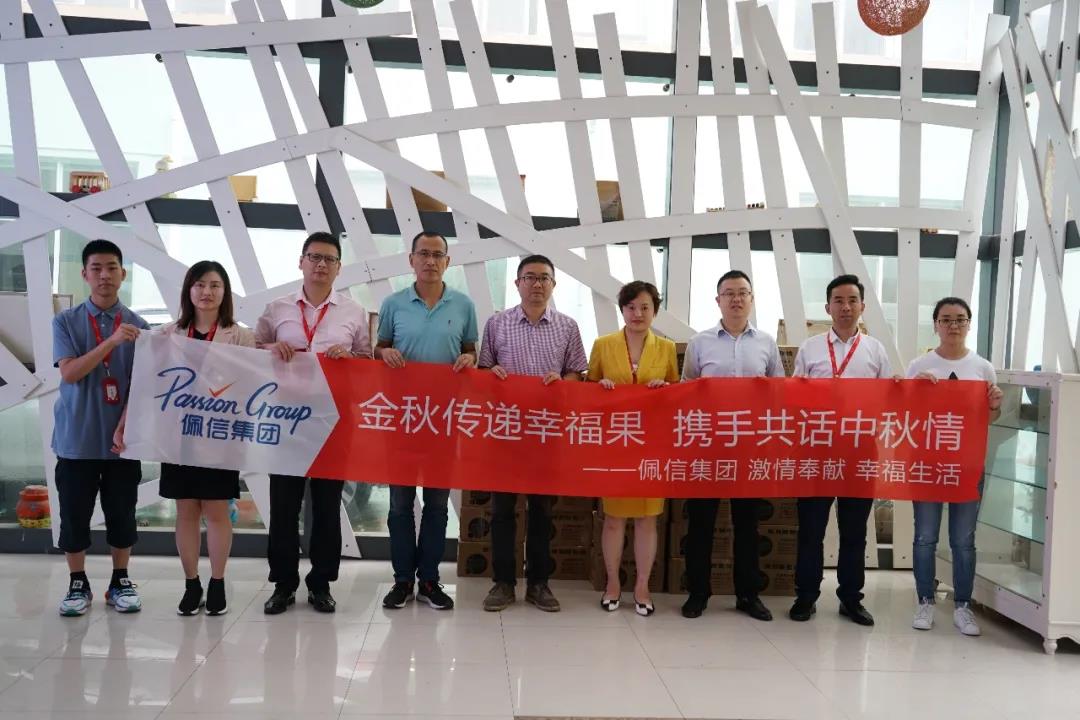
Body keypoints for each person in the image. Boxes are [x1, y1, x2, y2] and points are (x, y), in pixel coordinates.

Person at [117, 261, 253, 616]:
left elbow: (255, 385)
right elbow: (145, 384)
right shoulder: (167, 334)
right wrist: (125, 423)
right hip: (178, 438)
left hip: (220, 439)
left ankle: (217, 582)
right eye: (199, 285)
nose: (207, 292)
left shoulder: (241, 336)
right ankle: (192, 583)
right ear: (188, 290)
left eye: (215, 285)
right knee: (186, 512)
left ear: (225, 292)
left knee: (218, 511)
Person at [255, 231, 371, 615]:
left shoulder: (353, 311)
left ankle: (321, 583)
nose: (321, 265)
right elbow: (251, 353)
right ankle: (283, 584)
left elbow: (367, 361)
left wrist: (349, 359)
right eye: (314, 257)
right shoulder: (277, 308)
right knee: (283, 506)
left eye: (329, 259)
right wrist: (271, 347)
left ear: (339, 268)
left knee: (326, 506)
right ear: (301, 262)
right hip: (285, 419)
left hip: (332, 419)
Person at [478, 254, 588, 613]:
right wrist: (492, 374)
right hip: (506, 431)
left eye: (544, 278)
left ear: (553, 284)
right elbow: (483, 370)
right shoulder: (497, 324)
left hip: (546, 431)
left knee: (542, 510)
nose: (537, 284)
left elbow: (577, 373)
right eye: (530, 277)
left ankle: (539, 583)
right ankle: (503, 583)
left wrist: (563, 381)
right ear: (517, 283)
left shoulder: (568, 326)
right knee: (502, 510)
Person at [377, 231, 478, 611]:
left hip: (443, 421)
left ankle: (430, 580)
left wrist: (469, 359)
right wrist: (384, 353)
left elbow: (470, 350)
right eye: (424, 254)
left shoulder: (464, 305)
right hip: (402, 419)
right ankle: (402, 579)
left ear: (447, 262)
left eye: (438, 255)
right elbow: (379, 347)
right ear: (411, 259)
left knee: (436, 505)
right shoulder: (393, 304)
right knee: (400, 505)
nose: (431, 261)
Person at [52, 239, 149, 617]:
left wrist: (127, 426)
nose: (105, 275)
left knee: (122, 515)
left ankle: (120, 580)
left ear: (123, 274)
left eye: (112, 268)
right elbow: (70, 373)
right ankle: (77, 583)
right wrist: (111, 341)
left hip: (122, 442)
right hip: (76, 440)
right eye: (97, 268)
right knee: (74, 515)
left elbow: (144, 386)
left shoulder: (141, 327)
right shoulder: (65, 321)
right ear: (85, 274)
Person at [790, 274, 892, 627]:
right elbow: (794, 397)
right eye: (838, 300)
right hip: (816, 451)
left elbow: (887, 400)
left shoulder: (876, 350)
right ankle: (806, 596)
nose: (845, 307)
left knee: (854, 531)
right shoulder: (811, 348)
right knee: (811, 530)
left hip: (859, 452)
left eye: (852, 300)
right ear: (827, 307)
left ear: (862, 306)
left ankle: (851, 598)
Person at [680, 270, 783, 621]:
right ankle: (698, 592)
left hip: (751, 448)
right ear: (718, 300)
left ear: (752, 299)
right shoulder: (700, 342)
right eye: (729, 293)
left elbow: (780, 392)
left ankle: (748, 595)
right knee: (701, 524)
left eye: (743, 293)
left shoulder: (766, 343)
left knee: (748, 525)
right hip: (707, 446)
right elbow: (687, 389)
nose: (736, 299)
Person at [907, 297, 1002, 636]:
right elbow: (905, 415)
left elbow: (989, 419)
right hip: (928, 465)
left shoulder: (983, 368)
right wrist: (914, 390)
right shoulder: (919, 365)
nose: (953, 325)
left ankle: (963, 606)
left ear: (969, 324)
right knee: (925, 537)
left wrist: (994, 405)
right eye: (946, 319)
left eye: (960, 319)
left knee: (963, 539)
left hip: (966, 466)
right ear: (935, 325)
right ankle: (925, 601)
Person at [588, 281, 678, 616]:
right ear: (622, 310)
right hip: (615, 443)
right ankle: (612, 583)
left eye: (645, 307)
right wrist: (600, 386)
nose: (637, 313)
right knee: (613, 519)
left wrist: (664, 387)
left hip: (651, 445)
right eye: (631, 307)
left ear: (655, 311)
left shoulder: (666, 348)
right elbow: (586, 391)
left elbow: (676, 394)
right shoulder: (603, 345)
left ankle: (642, 586)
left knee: (647, 520)